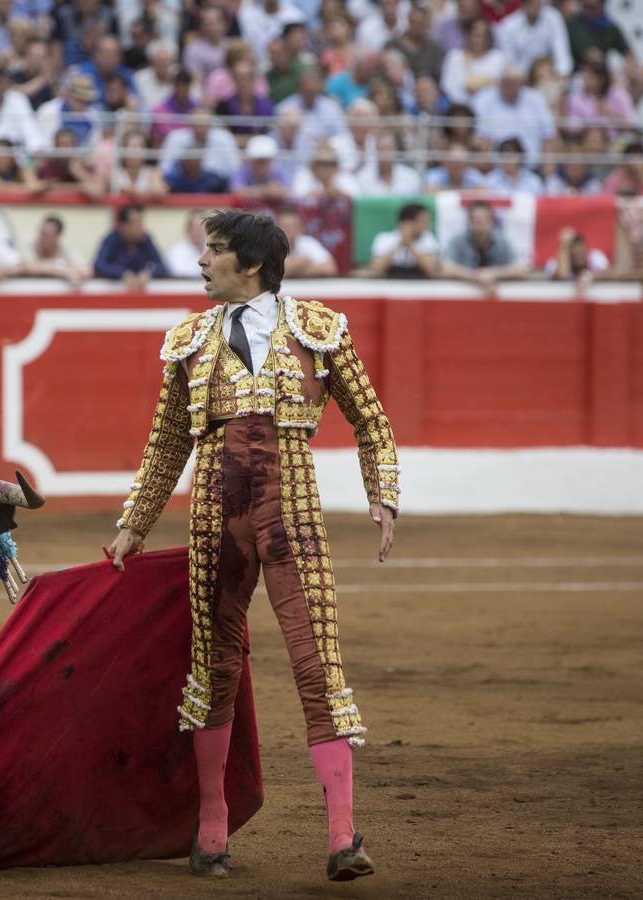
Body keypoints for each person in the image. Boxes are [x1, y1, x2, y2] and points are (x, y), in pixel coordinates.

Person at [105, 209, 397, 883]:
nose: (202, 261)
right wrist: (134, 525)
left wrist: (384, 492)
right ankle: (210, 832)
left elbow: (371, 422)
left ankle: (343, 836)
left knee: (316, 661)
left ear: (252, 264)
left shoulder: (316, 329)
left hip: (291, 510)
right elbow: (168, 443)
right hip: (214, 509)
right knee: (213, 668)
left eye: (214, 250)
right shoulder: (187, 340)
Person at [441, 200, 529, 290]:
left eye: (482, 219)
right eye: (474, 219)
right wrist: (476, 276)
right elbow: (446, 268)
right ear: (468, 221)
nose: (479, 223)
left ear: (492, 221)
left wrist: (493, 273)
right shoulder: (457, 240)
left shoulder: (502, 240)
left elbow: (521, 269)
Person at [91, 204, 167, 290]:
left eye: (141, 222)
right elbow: (98, 265)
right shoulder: (111, 239)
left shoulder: (146, 239)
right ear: (124, 226)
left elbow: (163, 266)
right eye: (136, 223)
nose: (140, 227)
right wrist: (122, 273)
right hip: (114, 293)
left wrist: (148, 273)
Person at [368, 201, 439, 278]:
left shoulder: (428, 238)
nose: (426, 225)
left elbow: (431, 270)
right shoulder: (384, 238)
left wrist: (410, 245)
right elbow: (376, 271)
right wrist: (399, 244)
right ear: (407, 222)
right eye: (422, 221)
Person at [22, 214, 90, 286]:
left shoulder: (65, 248)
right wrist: (65, 271)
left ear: (57, 237)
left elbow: (85, 271)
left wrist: (50, 268)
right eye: (41, 233)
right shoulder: (31, 244)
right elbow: (28, 267)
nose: (41, 238)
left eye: (47, 235)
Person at [276, 208, 337, 277]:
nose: (289, 230)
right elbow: (272, 272)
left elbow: (330, 268)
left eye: (293, 226)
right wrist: (304, 261)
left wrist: (295, 270)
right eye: (285, 226)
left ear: (300, 227)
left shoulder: (308, 243)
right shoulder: (269, 245)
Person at [166, 209, 209, 278]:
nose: (199, 233)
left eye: (202, 228)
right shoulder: (176, 251)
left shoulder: (211, 249)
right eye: (196, 229)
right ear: (187, 230)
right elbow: (180, 274)